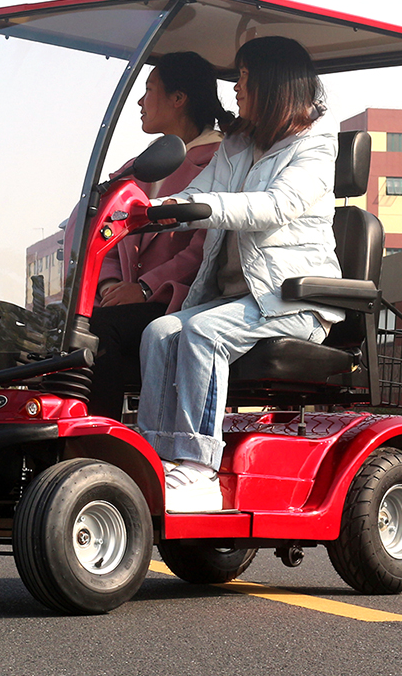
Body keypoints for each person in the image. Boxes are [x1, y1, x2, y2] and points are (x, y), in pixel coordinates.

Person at [137, 36, 345, 513]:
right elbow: (198, 193)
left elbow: (276, 206)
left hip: (292, 299)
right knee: (160, 331)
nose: (236, 89)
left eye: (245, 78)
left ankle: (196, 470)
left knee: (202, 334)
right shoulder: (236, 144)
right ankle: (154, 456)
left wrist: (198, 208)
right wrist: (152, 211)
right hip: (240, 300)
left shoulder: (314, 145)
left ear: (273, 83)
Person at [86, 52, 231, 419]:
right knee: (55, 328)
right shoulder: (143, 164)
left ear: (178, 98)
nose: (140, 101)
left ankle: (95, 442)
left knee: (99, 330)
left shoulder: (220, 161)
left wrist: (147, 287)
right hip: (125, 298)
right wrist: (108, 283)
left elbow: (205, 248)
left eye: (149, 89)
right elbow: (94, 220)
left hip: (176, 298)